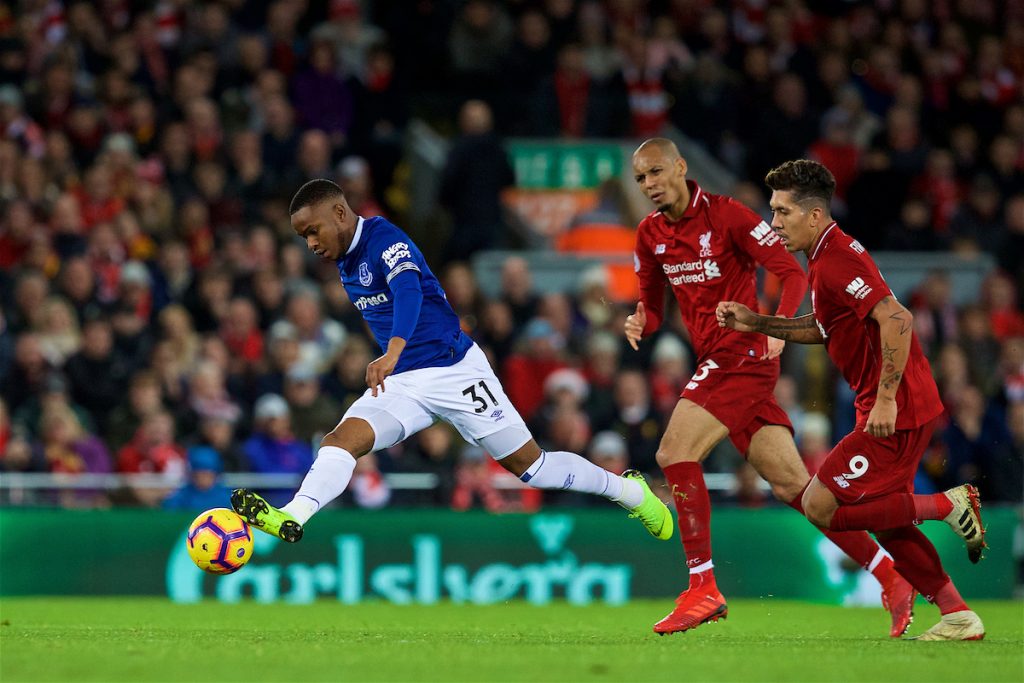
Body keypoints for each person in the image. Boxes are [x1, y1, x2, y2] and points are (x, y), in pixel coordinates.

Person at [231, 178, 672, 547]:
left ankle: (629, 491)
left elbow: (408, 292)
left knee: (531, 467)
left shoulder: (386, 239)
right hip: (404, 382)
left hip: (455, 370)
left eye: (313, 231)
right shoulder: (346, 262)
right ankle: (292, 515)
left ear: (341, 214)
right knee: (340, 440)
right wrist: (396, 359)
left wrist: (393, 350)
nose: (310, 243)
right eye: (302, 237)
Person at [625, 138, 915, 637]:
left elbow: (791, 274)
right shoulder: (649, 235)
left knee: (674, 453)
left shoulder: (728, 216)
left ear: (680, 166)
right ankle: (891, 575)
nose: (649, 185)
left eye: (655, 172)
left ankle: (703, 587)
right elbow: (652, 309)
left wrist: (776, 329)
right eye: (640, 179)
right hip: (717, 363)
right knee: (795, 489)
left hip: (741, 356)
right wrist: (639, 321)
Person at [717, 158, 985, 641]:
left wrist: (885, 401)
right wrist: (757, 322)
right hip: (891, 405)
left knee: (820, 503)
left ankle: (946, 507)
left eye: (782, 212)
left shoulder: (838, 259)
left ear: (814, 215)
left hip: (895, 409)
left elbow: (897, 319)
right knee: (886, 519)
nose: (773, 224)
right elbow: (824, 328)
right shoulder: (823, 257)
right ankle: (957, 614)